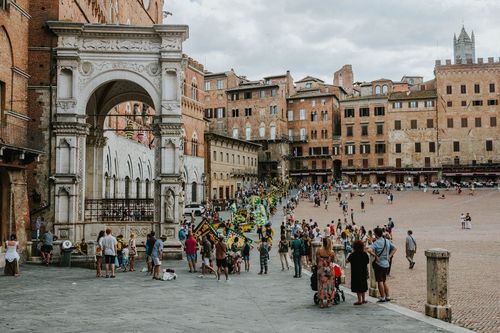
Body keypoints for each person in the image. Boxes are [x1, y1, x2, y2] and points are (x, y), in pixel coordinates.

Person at [367, 227, 397, 302]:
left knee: (380, 281)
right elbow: (394, 248)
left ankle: (382, 297)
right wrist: (389, 256)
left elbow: (369, 250)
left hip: (379, 264)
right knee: (384, 281)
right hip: (386, 264)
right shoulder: (387, 241)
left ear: (376, 234)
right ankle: (388, 296)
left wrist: (375, 255)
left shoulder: (376, 243)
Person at [346, 240, 369, 305]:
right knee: (363, 284)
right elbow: (367, 261)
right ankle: (364, 299)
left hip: (355, 272)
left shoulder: (353, 254)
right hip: (363, 271)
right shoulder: (364, 254)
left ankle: (359, 300)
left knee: (357, 286)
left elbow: (347, 261)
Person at [316, 237, 335, 308]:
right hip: (329, 270)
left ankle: (321, 302)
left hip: (321, 270)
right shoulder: (332, 252)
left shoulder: (319, 251)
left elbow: (316, 261)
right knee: (329, 286)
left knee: (321, 286)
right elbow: (332, 261)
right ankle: (329, 302)